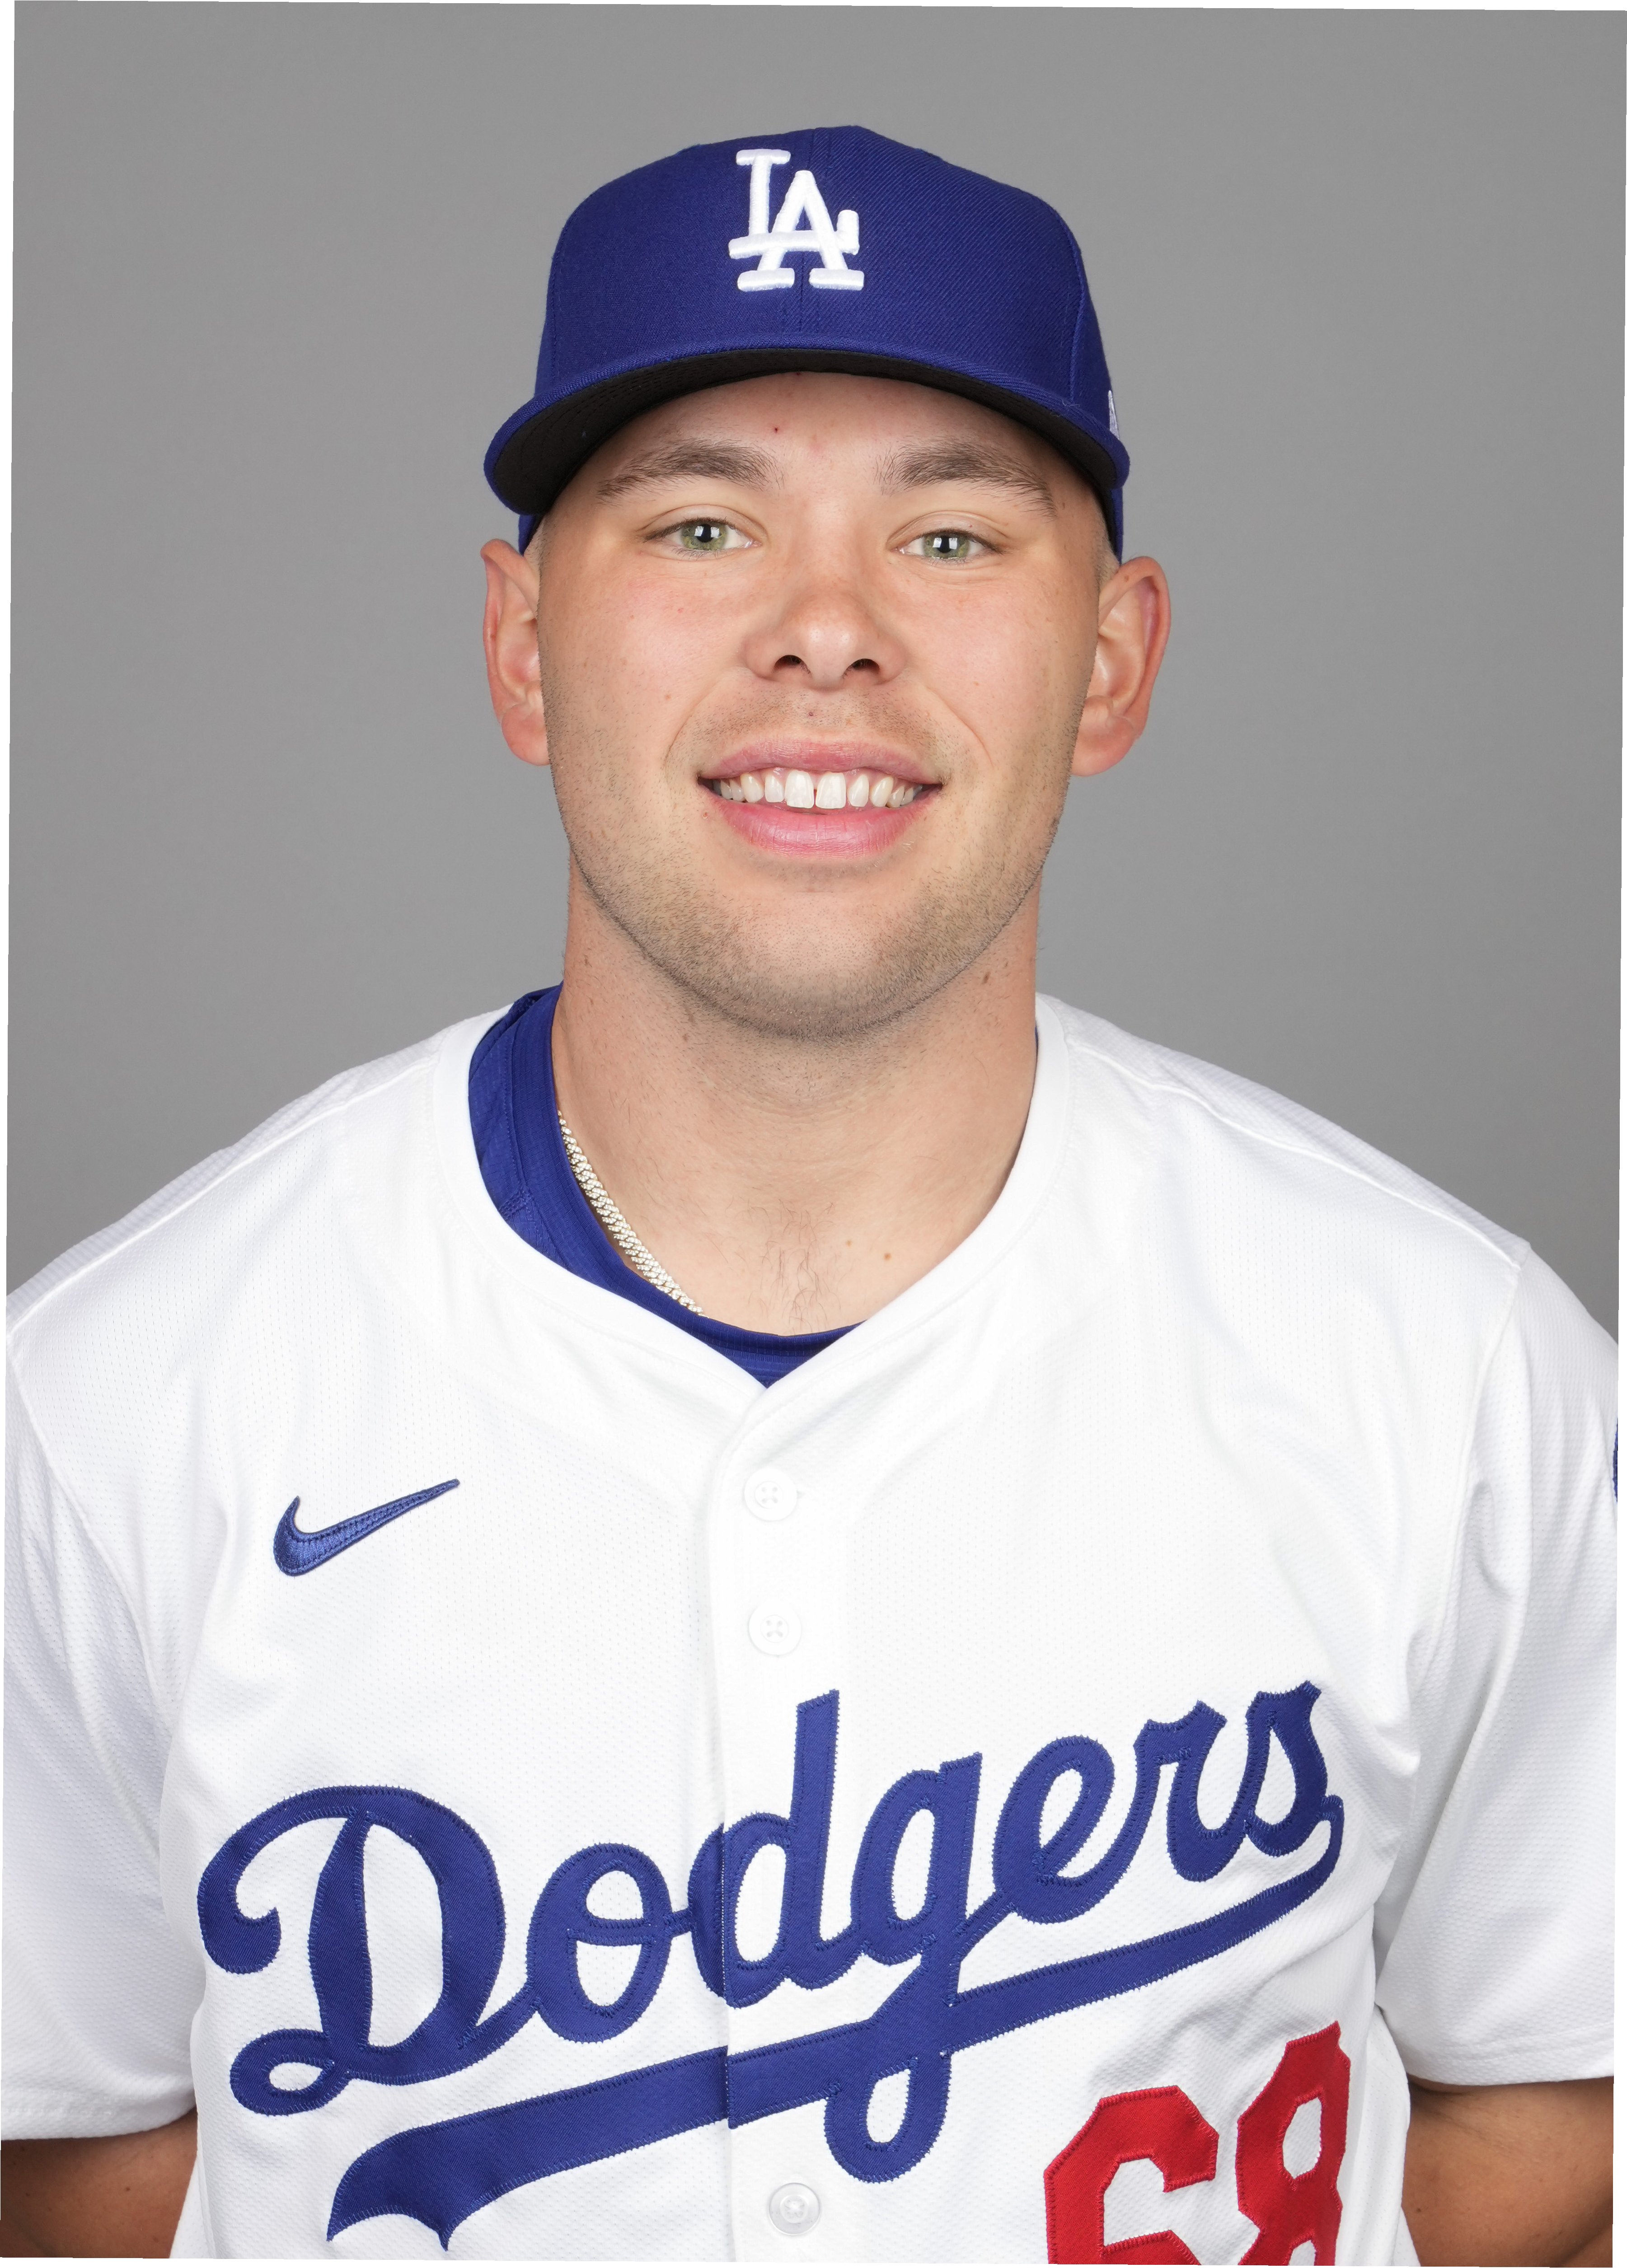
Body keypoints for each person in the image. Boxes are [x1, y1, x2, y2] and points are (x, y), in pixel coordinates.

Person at [1, 126, 1612, 2266]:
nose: (826, 632)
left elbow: (1554, 2093)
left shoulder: (1449, 1369)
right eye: (700, 523)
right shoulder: (112, 1403)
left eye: (948, 533)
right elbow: (74, 2154)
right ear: (521, 645)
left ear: (1112, 659)